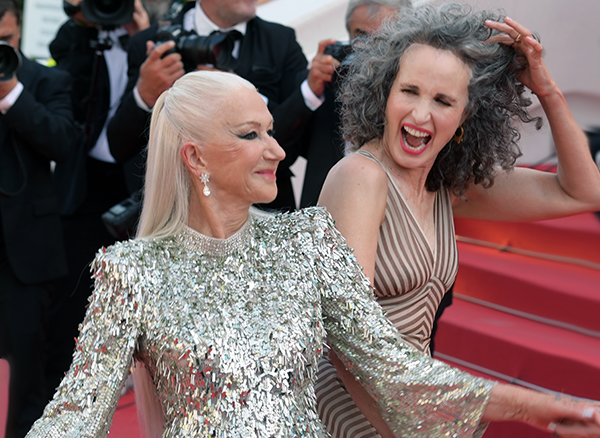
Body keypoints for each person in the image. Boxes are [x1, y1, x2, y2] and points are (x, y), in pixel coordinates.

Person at [0, 71, 598, 438]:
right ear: (195, 157)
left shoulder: (308, 243)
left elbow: (389, 365)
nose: (277, 149)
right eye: (251, 134)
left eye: (271, 130)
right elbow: (74, 417)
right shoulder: (132, 272)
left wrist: (531, 406)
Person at [317, 4, 600, 438]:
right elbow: (349, 345)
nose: (420, 114)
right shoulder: (360, 177)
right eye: (409, 91)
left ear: (468, 116)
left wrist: (545, 87)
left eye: (443, 100)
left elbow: (582, 191)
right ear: (382, 92)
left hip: (421, 413)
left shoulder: (446, 185)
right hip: (363, 417)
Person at [106, 0, 325, 211]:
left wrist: (242, 95)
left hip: (263, 211)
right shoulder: (151, 41)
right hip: (178, 211)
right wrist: (144, 95)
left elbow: (289, 149)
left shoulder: (280, 40)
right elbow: (120, 148)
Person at [43, 0, 151, 401]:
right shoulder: (74, 37)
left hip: (135, 179)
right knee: (71, 289)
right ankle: (62, 383)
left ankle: (131, 375)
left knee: (133, 287)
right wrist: (82, 17)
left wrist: (142, 38)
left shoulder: (151, 37)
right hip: (83, 180)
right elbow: (66, 79)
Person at [0, 0, 76, 438]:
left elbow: (63, 142)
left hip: (24, 253)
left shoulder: (46, 81)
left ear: (19, 32)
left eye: (5, 39)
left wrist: (11, 94)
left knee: (29, 372)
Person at [299, 0, 410, 210]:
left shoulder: (416, 87)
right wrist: (310, 92)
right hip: (322, 213)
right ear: (349, 34)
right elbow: (282, 149)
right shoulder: (332, 74)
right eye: (361, 38)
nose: (370, 50)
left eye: (384, 38)